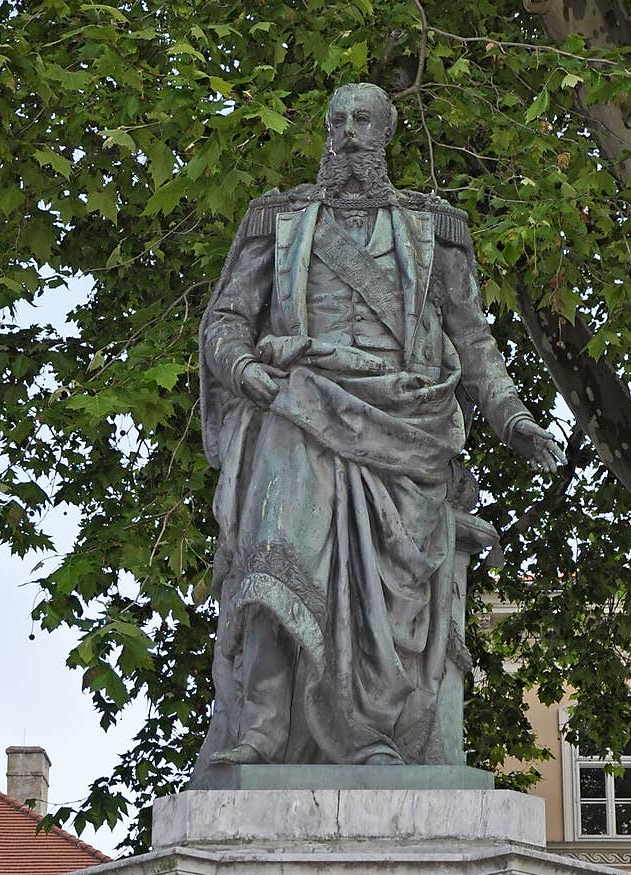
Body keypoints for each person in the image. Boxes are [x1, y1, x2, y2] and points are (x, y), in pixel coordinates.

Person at [193, 82, 564, 773]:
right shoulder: (276, 220)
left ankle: (372, 737)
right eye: (337, 120)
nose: (348, 132)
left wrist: (513, 418)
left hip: (404, 428)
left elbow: (473, 339)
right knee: (275, 553)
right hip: (297, 407)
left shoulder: (432, 228)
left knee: (382, 604)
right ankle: (266, 728)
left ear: (387, 131)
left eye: (363, 120)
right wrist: (243, 369)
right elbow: (225, 319)